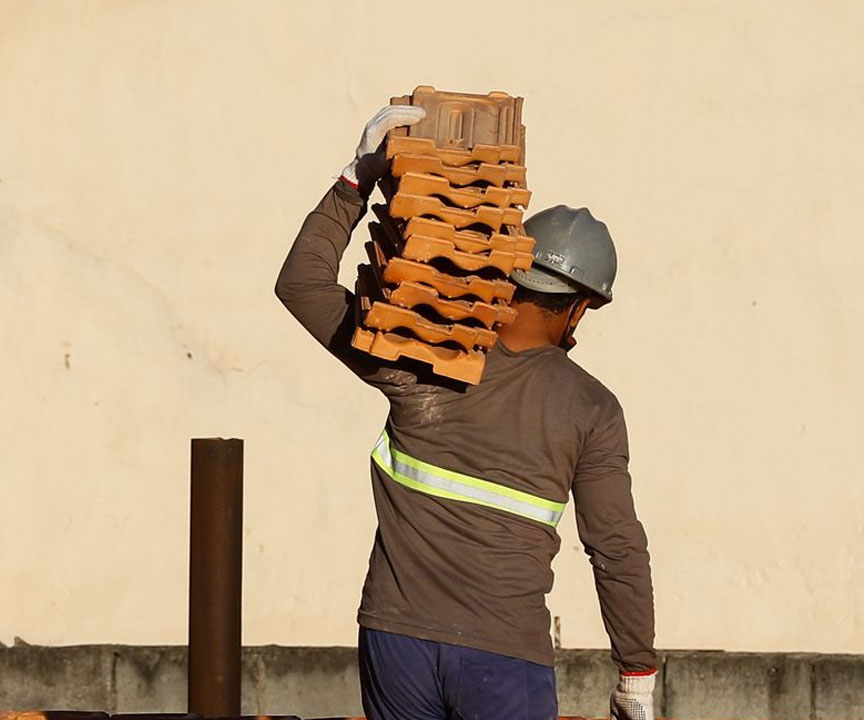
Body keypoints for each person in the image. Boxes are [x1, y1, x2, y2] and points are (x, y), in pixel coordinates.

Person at [275, 104, 656, 720]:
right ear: (579, 306)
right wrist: (636, 670)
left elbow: (301, 286)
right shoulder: (592, 409)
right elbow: (614, 547)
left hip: (394, 639)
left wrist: (356, 179)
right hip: (504, 658)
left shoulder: (421, 350)